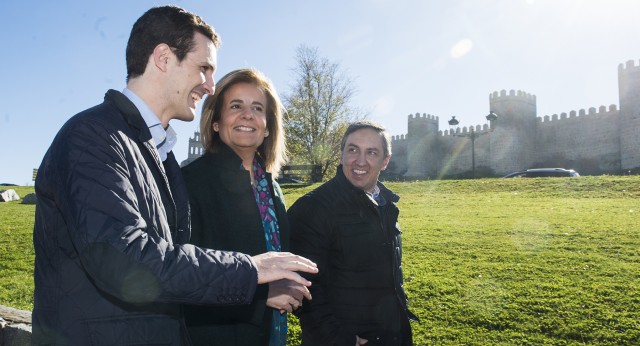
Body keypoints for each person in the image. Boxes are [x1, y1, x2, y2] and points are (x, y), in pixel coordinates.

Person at [32, 6, 317, 346]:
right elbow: (123, 257)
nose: (210, 86)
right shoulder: (93, 137)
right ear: (164, 58)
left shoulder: (157, 153)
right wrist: (251, 271)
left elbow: (172, 270)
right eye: (204, 69)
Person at [181, 68, 305, 345]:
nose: (247, 115)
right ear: (216, 121)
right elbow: (183, 274)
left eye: (257, 108)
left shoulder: (270, 187)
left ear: (268, 125)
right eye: (236, 106)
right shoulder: (191, 182)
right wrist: (260, 297)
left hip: (269, 333)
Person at [288, 120, 418, 346]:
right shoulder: (313, 208)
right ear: (341, 155)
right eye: (353, 150)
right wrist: (343, 339)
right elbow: (304, 289)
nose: (360, 161)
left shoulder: (386, 204)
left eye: (372, 152)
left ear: (384, 161)